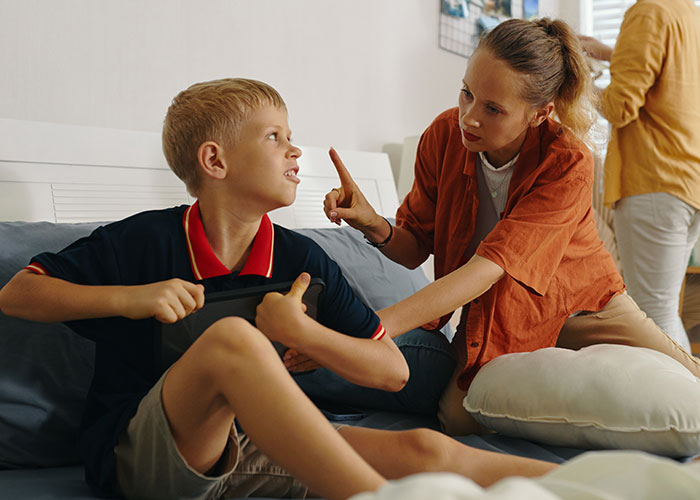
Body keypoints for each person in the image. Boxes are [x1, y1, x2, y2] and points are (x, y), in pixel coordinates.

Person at [0, 78, 556, 500]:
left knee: (424, 448)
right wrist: (132, 298)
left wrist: (305, 334)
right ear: (215, 160)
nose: (295, 150)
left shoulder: (300, 259)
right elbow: (19, 294)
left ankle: (621, 482)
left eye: (292, 137)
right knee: (232, 342)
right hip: (142, 456)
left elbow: (394, 371)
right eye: (275, 138)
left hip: (248, 445)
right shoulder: (144, 241)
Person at [322, 18, 700, 436]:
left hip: (586, 306)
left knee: (689, 379)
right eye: (467, 93)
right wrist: (373, 223)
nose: (469, 117)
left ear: (540, 114)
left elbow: (485, 269)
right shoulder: (443, 137)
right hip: (500, 309)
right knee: (457, 418)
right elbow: (414, 249)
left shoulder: (568, 161)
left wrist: (371, 328)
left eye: (493, 109)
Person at [578, 0, 700, 352]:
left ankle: (684, 403)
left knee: (652, 314)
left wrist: (574, 82)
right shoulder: (685, 11)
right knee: (662, 309)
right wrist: (605, 51)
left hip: (654, 181)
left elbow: (618, 106)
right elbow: (666, 70)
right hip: (686, 183)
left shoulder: (648, 11)